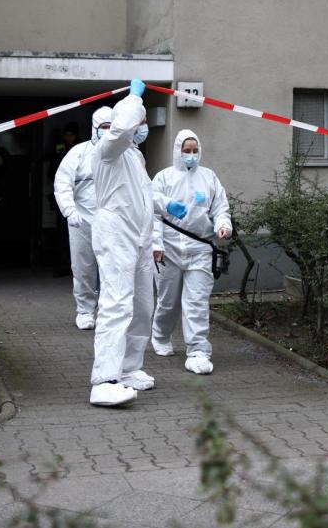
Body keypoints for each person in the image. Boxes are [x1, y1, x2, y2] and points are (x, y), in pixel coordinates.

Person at [88, 79, 187, 407]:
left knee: (143, 306)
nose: (141, 127)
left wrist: (165, 204)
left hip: (141, 236)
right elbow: (120, 128)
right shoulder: (106, 151)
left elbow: (141, 192)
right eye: (138, 122)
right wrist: (133, 98)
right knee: (117, 303)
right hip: (116, 233)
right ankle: (104, 379)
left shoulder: (133, 156)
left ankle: (129, 368)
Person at [150, 129, 232, 375]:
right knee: (168, 301)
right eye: (186, 151)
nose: (191, 155)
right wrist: (156, 244)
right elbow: (152, 213)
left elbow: (220, 208)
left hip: (200, 248)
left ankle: (198, 350)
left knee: (196, 302)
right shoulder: (163, 178)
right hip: (169, 249)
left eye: (195, 150)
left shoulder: (209, 178)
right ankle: (160, 335)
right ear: (177, 150)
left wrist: (223, 226)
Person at [53, 106, 112, 330]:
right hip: (82, 221)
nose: (107, 131)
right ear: (94, 128)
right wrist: (70, 210)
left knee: (111, 269)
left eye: (111, 127)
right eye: (103, 127)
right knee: (83, 267)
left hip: (113, 222)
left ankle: (108, 311)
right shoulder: (79, 153)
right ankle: (86, 310)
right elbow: (62, 183)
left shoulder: (122, 153)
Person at [50, 123, 82, 277]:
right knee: (62, 234)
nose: (68, 137)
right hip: (64, 197)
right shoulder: (59, 148)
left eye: (71, 134)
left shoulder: (82, 148)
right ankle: (63, 266)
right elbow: (52, 171)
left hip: (81, 198)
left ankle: (78, 267)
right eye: (66, 134)